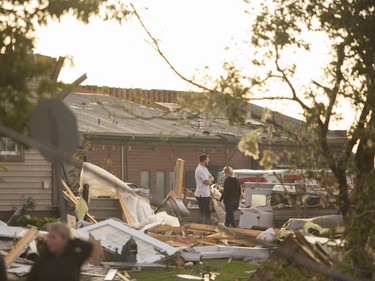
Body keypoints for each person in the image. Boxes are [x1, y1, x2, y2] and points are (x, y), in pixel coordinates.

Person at [27, 223, 93, 281]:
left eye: (53, 237)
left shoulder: (73, 259)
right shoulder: (42, 259)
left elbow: (88, 246)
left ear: (64, 240)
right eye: (49, 237)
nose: (49, 241)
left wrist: (70, 242)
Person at [194, 154, 214, 224]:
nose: (208, 161)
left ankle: (209, 225)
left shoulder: (205, 169)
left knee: (207, 211)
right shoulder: (199, 169)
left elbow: (212, 177)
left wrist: (209, 179)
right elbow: (207, 182)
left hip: (206, 194)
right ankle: (199, 226)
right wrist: (210, 180)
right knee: (202, 212)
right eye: (208, 159)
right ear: (205, 160)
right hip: (201, 194)